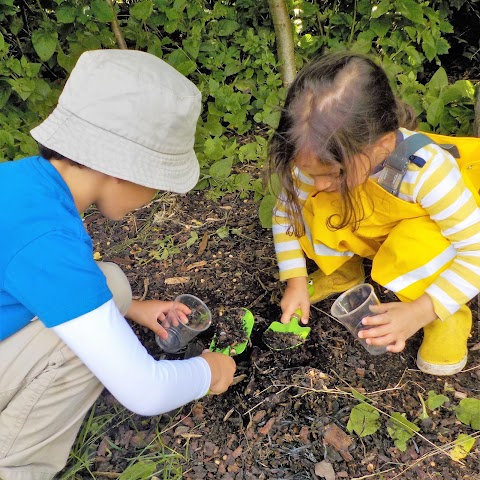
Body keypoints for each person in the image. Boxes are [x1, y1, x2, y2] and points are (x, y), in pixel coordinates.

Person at [0, 49, 236, 480]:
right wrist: (210, 372)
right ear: (126, 170)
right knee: (78, 345)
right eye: (158, 183)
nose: (156, 196)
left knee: (110, 283)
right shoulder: (49, 240)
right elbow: (144, 391)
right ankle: (15, 466)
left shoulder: (21, 186)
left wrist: (131, 309)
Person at [269, 51, 480, 376]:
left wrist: (419, 311)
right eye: (311, 174)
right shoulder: (312, 154)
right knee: (312, 204)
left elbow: (474, 253)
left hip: (424, 233)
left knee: (421, 244)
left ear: (382, 146)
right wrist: (295, 280)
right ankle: (343, 269)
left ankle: (447, 317)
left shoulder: (428, 173)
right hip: (374, 220)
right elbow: (288, 216)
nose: (319, 183)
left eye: (334, 173)